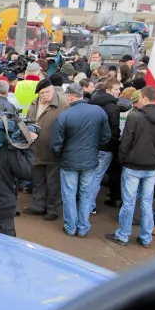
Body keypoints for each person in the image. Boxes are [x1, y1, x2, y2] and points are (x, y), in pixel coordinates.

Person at [110, 86, 155, 247]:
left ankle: (123, 235)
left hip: (133, 165)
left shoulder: (135, 117)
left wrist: (122, 159)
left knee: (129, 202)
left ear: (144, 98)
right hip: (152, 166)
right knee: (146, 203)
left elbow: (126, 141)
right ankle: (145, 237)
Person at [50, 83, 110, 238]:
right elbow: (106, 137)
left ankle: (70, 227)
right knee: (86, 194)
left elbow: (56, 143)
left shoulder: (64, 115)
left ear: (69, 96)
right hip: (90, 160)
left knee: (69, 194)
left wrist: (60, 155)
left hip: (69, 161)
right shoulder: (98, 111)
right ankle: (83, 227)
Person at [25, 81, 63, 221]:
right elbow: (28, 121)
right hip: (36, 149)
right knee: (38, 180)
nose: (45, 95)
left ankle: (52, 209)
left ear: (53, 90)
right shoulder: (34, 103)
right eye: (42, 93)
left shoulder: (62, 104)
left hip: (53, 151)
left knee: (53, 183)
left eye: (47, 92)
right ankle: (39, 206)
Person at [88, 78, 124, 205]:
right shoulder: (113, 108)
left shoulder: (92, 103)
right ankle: (89, 206)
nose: (119, 92)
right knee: (96, 178)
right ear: (108, 90)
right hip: (105, 148)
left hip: (91, 145)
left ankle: (85, 204)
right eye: (116, 89)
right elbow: (114, 131)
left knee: (89, 177)